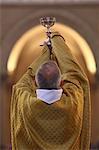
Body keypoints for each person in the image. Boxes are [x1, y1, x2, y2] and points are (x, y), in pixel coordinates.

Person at [11, 32, 91, 150]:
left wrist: (45, 52)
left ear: (36, 83)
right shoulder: (74, 102)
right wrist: (56, 40)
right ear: (61, 82)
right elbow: (74, 73)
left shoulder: (25, 103)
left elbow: (25, 79)